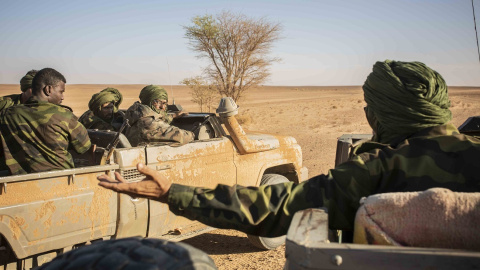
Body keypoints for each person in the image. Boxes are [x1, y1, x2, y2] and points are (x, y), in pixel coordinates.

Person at [97, 60, 480, 238]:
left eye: (370, 109)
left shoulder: (375, 171)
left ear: (380, 114)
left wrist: (171, 192)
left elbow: (274, 208)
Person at [0, 68, 91, 175]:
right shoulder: (64, 115)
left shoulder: (6, 114)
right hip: (61, 180)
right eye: (61, 91)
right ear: (48, 89)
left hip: (20, 182)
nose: (62, 97)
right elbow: (84, 146)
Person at [124, 85, 194, 146]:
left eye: (164, 103)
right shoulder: (149, 123)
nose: (163, 107)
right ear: (149, 101)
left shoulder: (137, 114)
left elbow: (156, 119)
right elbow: (181, 136)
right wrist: (193, 134)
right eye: (158, 102)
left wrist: (173, 116)